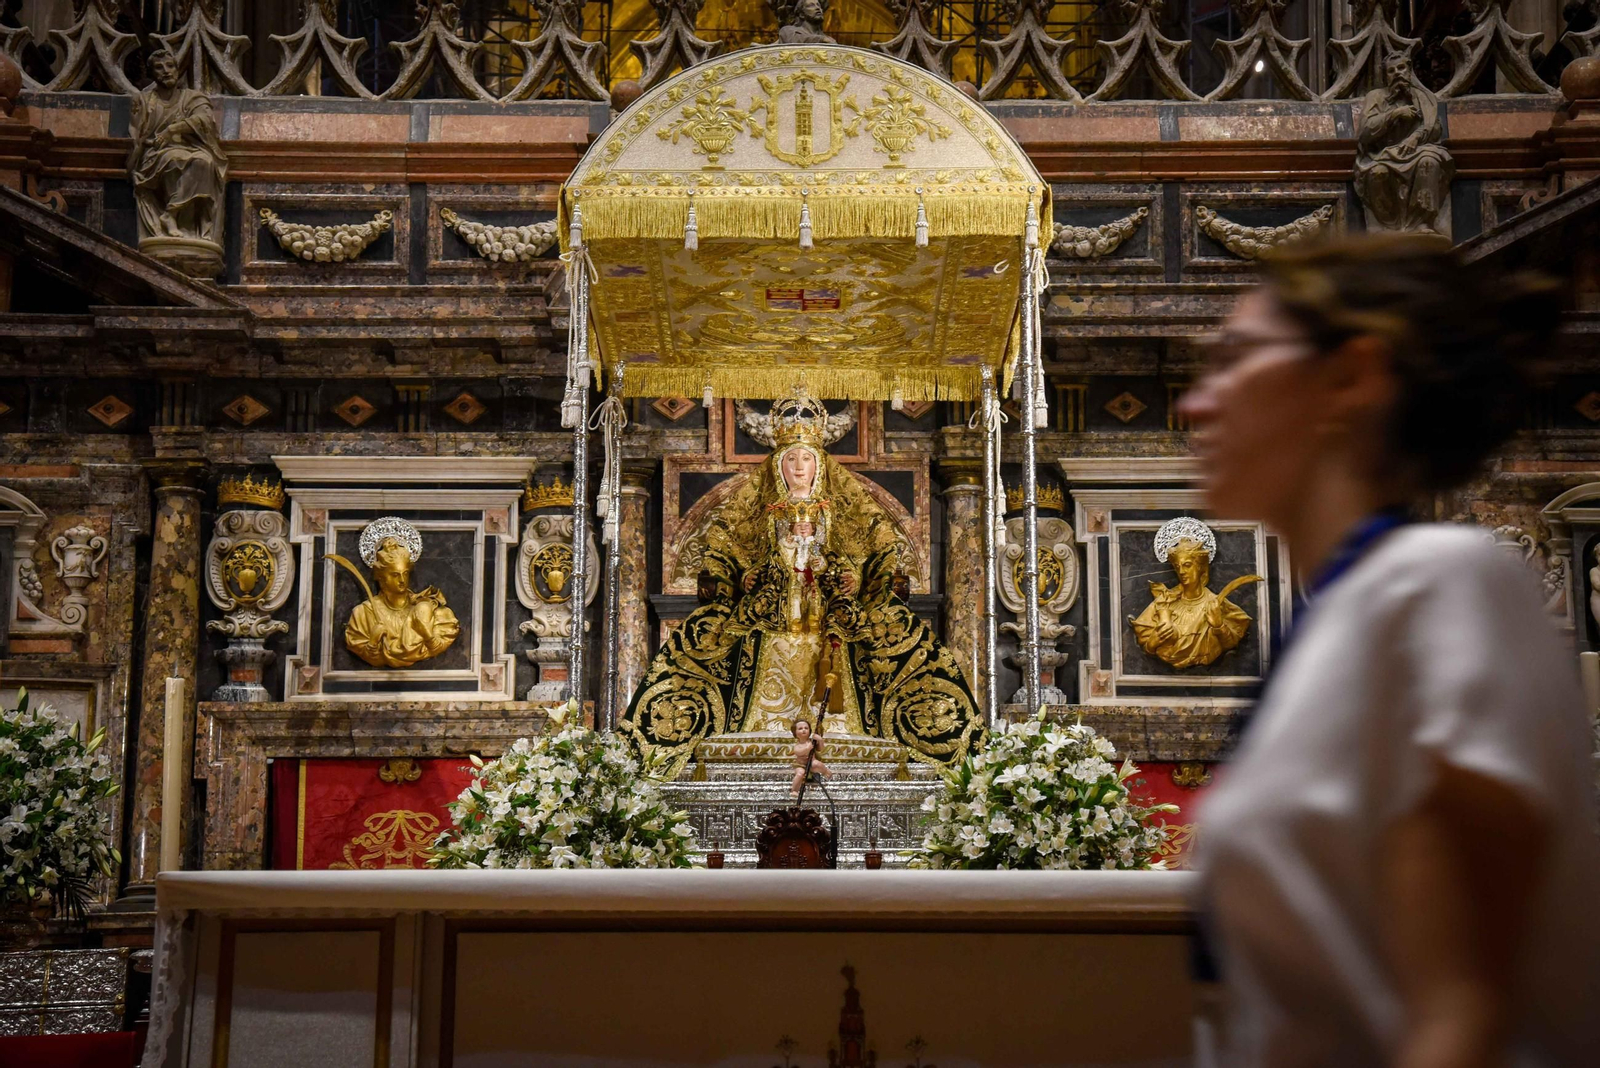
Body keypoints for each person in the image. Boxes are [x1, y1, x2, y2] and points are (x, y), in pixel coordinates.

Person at [1182, 234, 1600, 1068]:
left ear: (1350, 377)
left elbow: (1460, 1015)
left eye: (1235, 358)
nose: (1198, 402)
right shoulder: (1342, 613)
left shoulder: (1437, 589)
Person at [789, 718, 830, 798]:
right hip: (800, 765)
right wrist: (807, 749)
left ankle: (826, 771)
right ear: (795, 733)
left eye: (806, 728)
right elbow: (798, 752)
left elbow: (820, 749)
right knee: (800, 773)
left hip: (812, 764)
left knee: (817, 763)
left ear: (810, 731)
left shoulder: (812, 742)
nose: (803, 730)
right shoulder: (798, 745)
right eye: (800, 729)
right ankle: (794, 790)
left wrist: (820, 740)